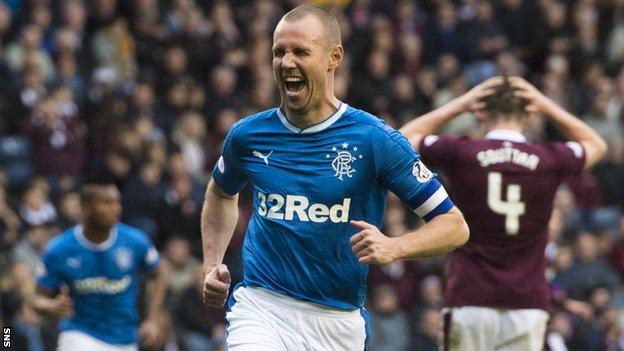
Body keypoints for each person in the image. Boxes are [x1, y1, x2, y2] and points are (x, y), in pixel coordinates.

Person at [201, 4, 469, 351]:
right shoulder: (248, 136)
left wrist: (394, 246)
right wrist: (211, 265)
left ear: (334, 56)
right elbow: (221, 193)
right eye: (279, 52)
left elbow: (454, 225)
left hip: (336, 321)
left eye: (300, 52)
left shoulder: (374, 140)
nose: (286, 63)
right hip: (261, 307)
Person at [399, 76, 608, 351]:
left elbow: (402, 139)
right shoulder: (548, 159)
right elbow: (597, 145)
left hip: (470, 296)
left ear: (480, 111)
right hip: (527, 304)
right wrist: (545, 104)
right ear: (528, 114)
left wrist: (460, 104)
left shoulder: (465, 152)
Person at [32, 181, 167, 351]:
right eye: (107, 203)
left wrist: (152, 319)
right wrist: (50, 306)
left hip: (125, 338)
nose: (115, 208)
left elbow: (159, 274)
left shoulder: (135, 241)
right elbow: (37, 299)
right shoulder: (59, 249)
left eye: (117, 202)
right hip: (79, 334)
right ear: (86, 208)